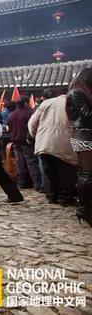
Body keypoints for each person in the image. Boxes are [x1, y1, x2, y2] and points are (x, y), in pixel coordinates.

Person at [28, 92, 77, 205]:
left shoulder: (46, 103)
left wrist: (35, 135)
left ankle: (52, 196)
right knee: (66, 172)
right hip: (65, 143)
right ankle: (65, 197)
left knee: (49, 171)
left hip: (44, 142)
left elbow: (32, 123)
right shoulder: (75, 103)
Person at [66, 67, 92, 227]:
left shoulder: (82, 92)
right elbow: (87, 115)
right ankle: (84, 209)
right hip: (84, 136)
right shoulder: (76, 93)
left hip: (86, 135)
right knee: (87, 175)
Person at [8, 97, 41, 190]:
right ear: (26, 103)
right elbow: (33, 127)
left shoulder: (11, 115)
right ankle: (37, 184)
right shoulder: (29, 113)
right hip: (27, 141)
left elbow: (10, 129)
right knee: (31, 162)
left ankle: (22, 183)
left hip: (15, 141)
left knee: (20, 162)